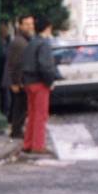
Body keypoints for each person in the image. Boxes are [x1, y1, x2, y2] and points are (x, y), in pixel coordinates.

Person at [21, 16, 60, 155]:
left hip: (29, 82)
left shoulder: (31, 42)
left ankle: (28, 143)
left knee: (32, 114)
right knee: (41, 115)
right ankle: (38, 145)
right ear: (48, 28)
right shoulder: (44, 44)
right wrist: (50, 82)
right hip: (40, 82)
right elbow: (45, 66)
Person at [2, 14, 35, 139]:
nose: (30, 27)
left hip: (20, 80)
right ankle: (16, 131)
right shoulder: (19, 42)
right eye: (27, 24)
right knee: (19, 107)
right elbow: (15, 64)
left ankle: (17, 130)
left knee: (20, 106)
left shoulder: (23, 40)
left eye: (31, 24)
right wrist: (15, 82)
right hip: (19, 81)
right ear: (20, 26)